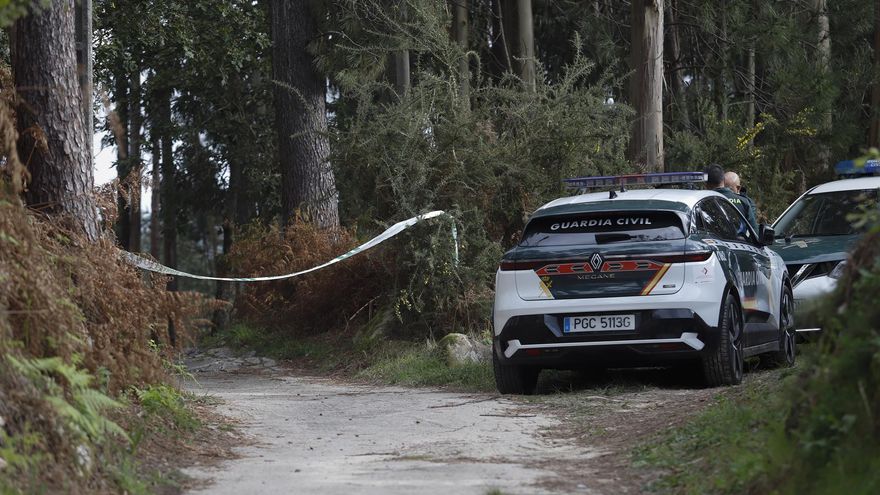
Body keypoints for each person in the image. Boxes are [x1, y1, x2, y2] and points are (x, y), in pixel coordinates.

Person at [705, 164, 758, 231]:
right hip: (739, 241)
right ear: (723, 181)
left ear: (706, 185)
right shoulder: (744, 202)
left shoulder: (703, 201)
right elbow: (754, 231)